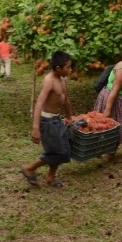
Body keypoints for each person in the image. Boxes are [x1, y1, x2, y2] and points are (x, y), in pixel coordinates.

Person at [20, 51, 74, 188]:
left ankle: (51, 177)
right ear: (58, 68)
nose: (70, 70)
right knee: (56, 151)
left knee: (64, 148)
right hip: (47, 121)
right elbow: (39, 103)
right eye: (67, 67)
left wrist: (69, 117)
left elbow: (66, 100)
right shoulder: (49, 81)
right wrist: (36, 127)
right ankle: (30, 168)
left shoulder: (63, 80)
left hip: (57, 119)